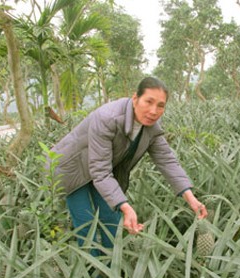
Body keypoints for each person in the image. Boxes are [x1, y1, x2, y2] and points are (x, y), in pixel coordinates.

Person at [51, 76, 208, 256]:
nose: (153, 111)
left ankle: (113, 269)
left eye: (160, 105)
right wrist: (126, 206)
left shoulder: (152, 127)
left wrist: (191, 198)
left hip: (100, 170)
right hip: (72, 169)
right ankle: (92, 274)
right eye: (148, 102)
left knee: (111, 217)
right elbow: (100, 171)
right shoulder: (107, 117)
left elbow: (166, 160)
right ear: (135, 99)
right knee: (87, 225)